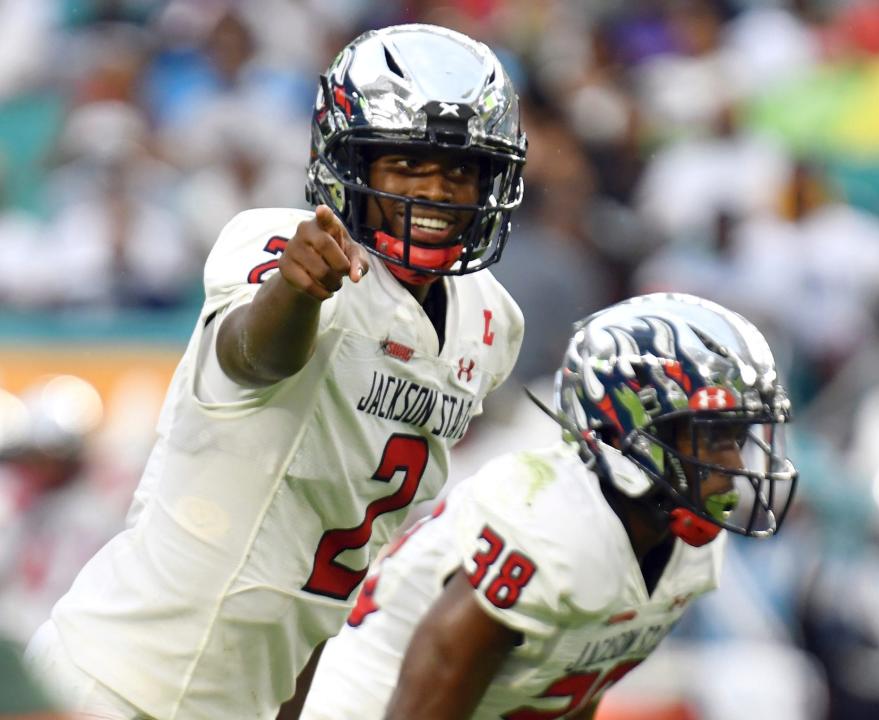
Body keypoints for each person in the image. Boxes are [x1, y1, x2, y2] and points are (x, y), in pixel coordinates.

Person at [25, 23, 526, 720]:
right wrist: (294, 292)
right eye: (406, 164)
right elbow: (253, 355)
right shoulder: (280, 244)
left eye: (460, 168)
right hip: (117, 680)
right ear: (352, 162)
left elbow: (327, 580)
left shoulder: (491, 323)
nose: (437, 189)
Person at [302, 292, 799, 720]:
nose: (733, 462)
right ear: (629, 431)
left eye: (737, 436)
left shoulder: (687, 551)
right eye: (712, 438)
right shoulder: (548, 528)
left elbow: (566, 689)